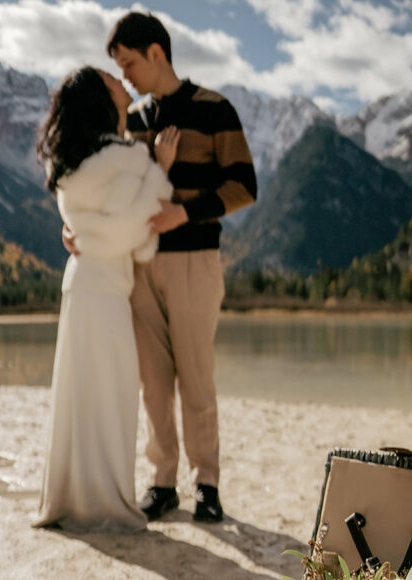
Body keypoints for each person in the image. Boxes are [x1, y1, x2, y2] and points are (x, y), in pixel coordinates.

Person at [66, 13, 257, 523]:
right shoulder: (131, 121)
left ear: (156, 52)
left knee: (196, 375)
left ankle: (208, 485)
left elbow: (244, 186)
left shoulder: (216, 109)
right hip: (138, 267)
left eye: (128, 62)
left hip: (195, 262)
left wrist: (185, 212)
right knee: (153, 381)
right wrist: (77, 229)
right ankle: (163, 481)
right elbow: (104, 184)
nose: (125, 75)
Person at [34, 65, 178, 532]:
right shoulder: (129, 159)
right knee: (113, 395)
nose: (121, 80)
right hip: (107, 288)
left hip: (80, 284)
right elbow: (138, 235)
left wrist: (91, 235)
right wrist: (160, 171)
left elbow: (99, 230)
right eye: (110, 79)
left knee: (79, 394)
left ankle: (71, 499)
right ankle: (107, 501)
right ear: (103, 97)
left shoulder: (67, 164)